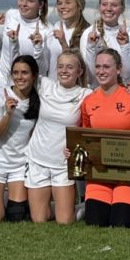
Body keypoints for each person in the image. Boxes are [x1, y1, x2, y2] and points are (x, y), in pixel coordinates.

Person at [79, 48, 130, 228]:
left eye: (106, 66)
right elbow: (85, 134)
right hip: (99, 173)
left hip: (127, 172)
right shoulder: (89, 101)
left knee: (122, 223)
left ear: (118, 69)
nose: (101, 71)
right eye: (98, 67)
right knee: (96, 223)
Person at [26, 49, 91, 224]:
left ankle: (82, 207)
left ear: (80, 72)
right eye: (60, 66)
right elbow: (23, 70)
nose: (64, 71)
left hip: (63, 164)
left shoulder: (86, 94)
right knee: (39, 219)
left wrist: (129, 88)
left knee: (65, 221)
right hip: (37, 159)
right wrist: (35, 47)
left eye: (70, 67)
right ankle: (58, 205)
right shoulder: (44, 85)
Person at [0, 55, 40, 223]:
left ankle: (8, 198)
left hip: (19, 165)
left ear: (34, 75)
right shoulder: (0, 96)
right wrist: (8, 114)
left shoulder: (38, 99)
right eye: (15, 73)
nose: (19, 77)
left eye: (24, 73)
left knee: (16, 216)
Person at [0, 0, 53, 85]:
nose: (23, 4)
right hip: (2, 85)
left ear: (40, 4)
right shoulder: (10, 15)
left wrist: (38, 47)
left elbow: (42, 70)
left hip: (27, 90)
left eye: (30, 0)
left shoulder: (47, 30)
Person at [80, 0, 130, 86]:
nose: (108, 9)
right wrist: (90, 47)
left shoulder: (129, 33)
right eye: (104, 4)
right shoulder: (89, 33)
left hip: (124, 90)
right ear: (99, 7)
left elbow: (127, 74)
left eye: (114, 5)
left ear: (122, 9)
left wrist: (124, 46)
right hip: (99, 91)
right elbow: (91, 77)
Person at [48, 0, 91, 73]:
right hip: (53, 84)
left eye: (68, 3)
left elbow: (85, 68)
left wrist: (64, 44)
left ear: (79, 6)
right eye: (59, 3)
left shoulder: (88, 33)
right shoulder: (56, 26)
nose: (63, 7)